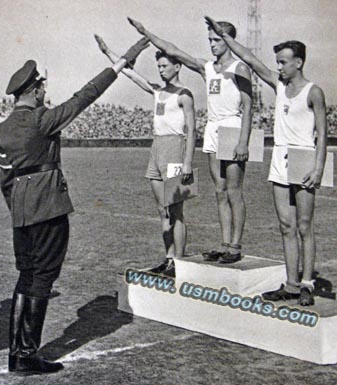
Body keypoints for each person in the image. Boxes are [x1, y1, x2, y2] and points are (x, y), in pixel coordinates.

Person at [0, 37, 149, 375]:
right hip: (47, 208)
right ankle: (26, 356)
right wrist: (120, 64)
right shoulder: (41, 119)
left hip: (21, 212)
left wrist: (18, 207)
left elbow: (5, 180)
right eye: (42, 88)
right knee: (42, 279)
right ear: (35, 91)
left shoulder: (4, 128)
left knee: (26, 277)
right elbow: (85, 96)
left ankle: (17, 354)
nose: (44, 93)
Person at [205, 16, 327, 306]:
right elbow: (251, 58)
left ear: (299, 62)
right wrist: (227, 36)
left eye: (284, 62)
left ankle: (307, 282)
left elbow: (322, 134)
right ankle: (292, 284)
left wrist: (319, 167)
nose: (278, 67)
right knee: (286, 225)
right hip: (280, 157)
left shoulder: (314, 92)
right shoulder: (279, 86)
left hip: (304, 156)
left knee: (304, 225)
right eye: (277, 62)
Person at [128, 17, 252, 264]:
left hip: (232, 127)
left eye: (217, 40)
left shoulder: (239, 68)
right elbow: (175, 51)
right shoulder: (208, 67)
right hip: (214, 129)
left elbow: (248, 107)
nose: (212, 45)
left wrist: (243, 141)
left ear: (228, 41)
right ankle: (225, 244)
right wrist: (146, 31)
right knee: (219, 190)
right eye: (210, 40)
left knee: (234, 191)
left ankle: (236, 246)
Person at [95, 35, 196, 277]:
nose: (161, 70)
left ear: (177, 66)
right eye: (158, 66)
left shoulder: (184, 95)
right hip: (157, 149)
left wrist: (188, 162)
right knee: (162, 211)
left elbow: (192, 130)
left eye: (164, 66)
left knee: (176, 211)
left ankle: (180, 263)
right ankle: (169, 258)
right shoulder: (157, 91)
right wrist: (108, 51)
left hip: (175, 150)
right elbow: (129, 73)